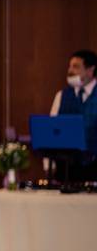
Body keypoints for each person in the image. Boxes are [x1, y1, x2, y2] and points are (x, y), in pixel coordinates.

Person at [49, 49, 97, 179]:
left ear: (90, 70)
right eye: (69, 66)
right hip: (65, 169)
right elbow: (52, 129)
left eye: (76, 67)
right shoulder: (62, 95)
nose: (70, 71)